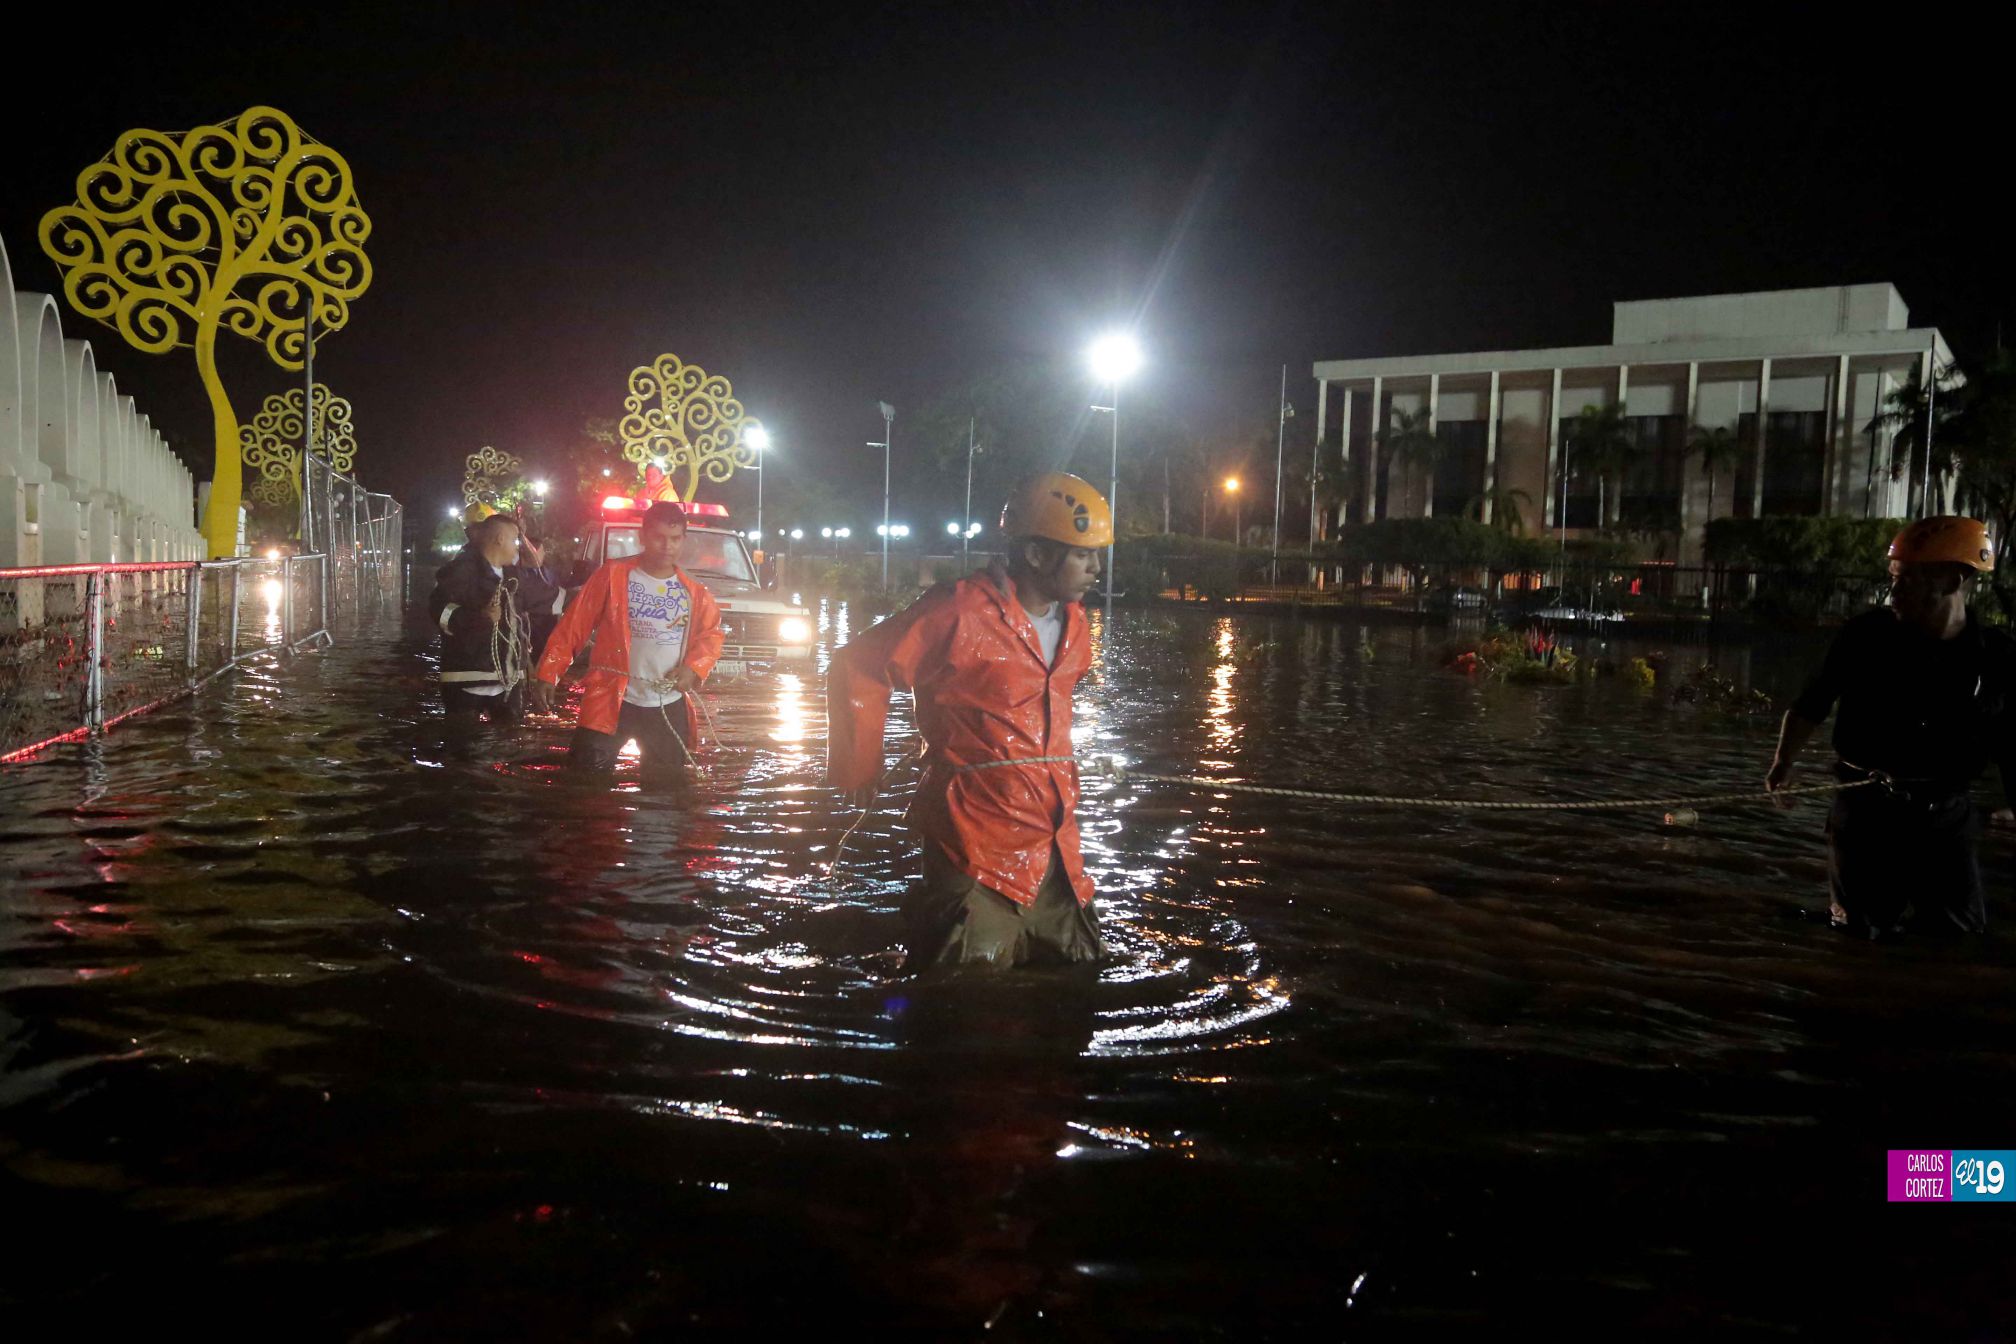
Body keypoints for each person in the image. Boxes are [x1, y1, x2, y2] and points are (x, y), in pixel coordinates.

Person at [827, 471, 1112, 969]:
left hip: (1054, 843)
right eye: (1082, 554)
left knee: (1079, 968)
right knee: (964, 986)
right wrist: (859, 767)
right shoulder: (957, 612)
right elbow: (859, 666)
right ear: (1037, 554)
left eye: (1095, 554)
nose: (1095, 567)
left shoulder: (1077, 627)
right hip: (973, 841)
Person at [1766, 515, 2016, 937]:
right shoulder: (1866, 636)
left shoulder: (1996, 658)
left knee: (1957, 936)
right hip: (1866, 809)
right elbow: (1812, 704)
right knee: (1859, 931)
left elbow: (2012, 741)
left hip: (1946, 815)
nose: (1894, 592)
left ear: (1954, 580)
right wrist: (1782, 764)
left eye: (1909, 580)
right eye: (1894, 579)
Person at [529, 500, 723, 778]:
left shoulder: (695, 592)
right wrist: (548, 672)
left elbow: (711, 636)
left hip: (666, 704)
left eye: (675, 539)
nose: (667, 546)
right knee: (586, 783)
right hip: (609, 699)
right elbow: (575, 626)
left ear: (684, 540)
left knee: (665, 792)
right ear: (642, 536)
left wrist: (693, 668)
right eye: (658, 537)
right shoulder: (611, 576)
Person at [428, 506, 539, 724]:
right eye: (514, 540)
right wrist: (480, 617)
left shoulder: (513, 576)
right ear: (499, 538)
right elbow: (439, 611)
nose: (516, 546)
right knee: (465, 750)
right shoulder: (460, 570)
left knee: (510, 746)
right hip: (467, 679)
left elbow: (534, 605)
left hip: (507, 681)